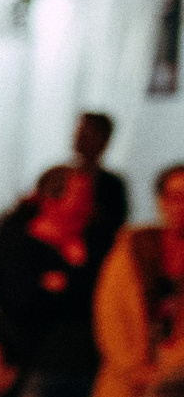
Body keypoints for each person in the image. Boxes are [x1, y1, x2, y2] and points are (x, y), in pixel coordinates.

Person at [0, 165, 97, 397]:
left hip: (86, 375)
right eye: (81, 199)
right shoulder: (14, 246)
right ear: (50, 199)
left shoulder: (95, 247)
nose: (88, 208)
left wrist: (62, 284)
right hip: (34, 372)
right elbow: (23, 304)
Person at [87, 162, 184, 397]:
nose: (179, 207)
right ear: (160, 200)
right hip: (124, 387)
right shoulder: (134, 245)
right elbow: (110, 313)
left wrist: (167, 371)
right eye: (173, 197)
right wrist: (133, 368)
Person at [73, 110, 133, 280]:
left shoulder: (112, 185)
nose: (78, 138)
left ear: (104, 141)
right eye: (79, 132)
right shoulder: (61, 176)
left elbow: (114, 229)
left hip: (92, 269)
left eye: (86, 133)